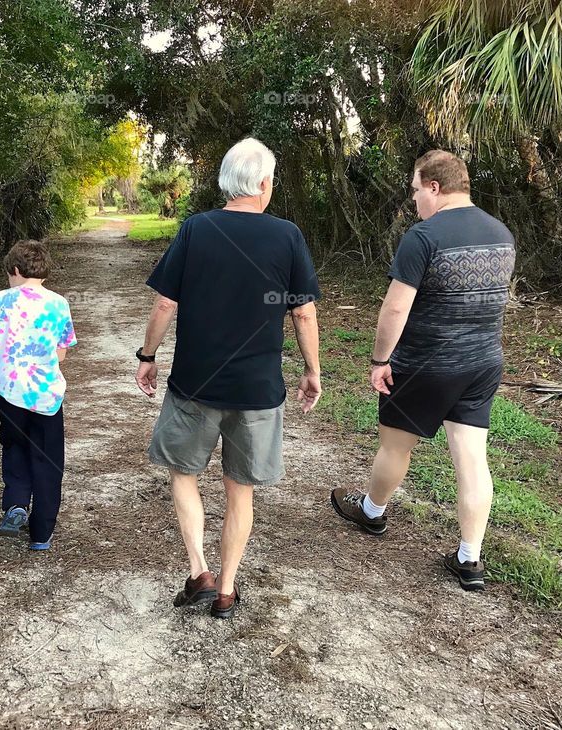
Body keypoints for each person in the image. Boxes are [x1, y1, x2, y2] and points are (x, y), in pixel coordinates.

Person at [136, 137, 322, 618]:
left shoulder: (197, 228)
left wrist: (147, 354)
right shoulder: (288, 236)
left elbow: (164, 302)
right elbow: (303, 314)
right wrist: (312, 370)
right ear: (263, 183)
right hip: (257, 390)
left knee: (184, 474)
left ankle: (199, 568)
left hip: (194, 384)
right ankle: (227, 589)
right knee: (241, 488)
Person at [330, 150, 515, 592]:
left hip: (424, 365)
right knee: (472, 458)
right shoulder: (501, 232)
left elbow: (396, 307)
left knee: (396, 446)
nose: (414, 201)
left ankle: (372, 512)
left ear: (434, 187)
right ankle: (469, 559)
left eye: (415, 191)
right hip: (483, 362)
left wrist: (379, 360)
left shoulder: (424, 236)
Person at [0, 239, 77, 551]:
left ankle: (16, 504)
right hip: (46, 396)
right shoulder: (58, 304)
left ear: (16, 270)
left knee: (14, 446)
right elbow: (61, 355)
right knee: (47, 459)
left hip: (9, 392)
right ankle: (41, 535)